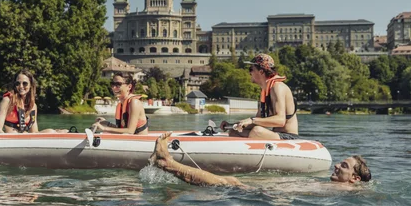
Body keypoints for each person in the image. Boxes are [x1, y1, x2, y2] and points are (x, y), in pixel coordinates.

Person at [150, 132, 372, 187]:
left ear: (354, 179)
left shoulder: (347, 192)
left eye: (344, 166)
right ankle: (168, 164)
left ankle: (168, 163)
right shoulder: (342, 189)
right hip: (277, 193)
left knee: (230, 182)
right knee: (230, 182)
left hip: (272, 196)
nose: (336, 165)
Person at [221, 54, 298, 140]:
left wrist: (252, 120)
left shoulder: (277, 87)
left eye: (251, 69)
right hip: (275, 135)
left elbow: (280, 120)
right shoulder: (265, 90)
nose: (249, 72)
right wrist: (232, 125)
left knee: (257, 131)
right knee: (234, 132)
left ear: (261, 71)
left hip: (289, 137)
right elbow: (258, 121)